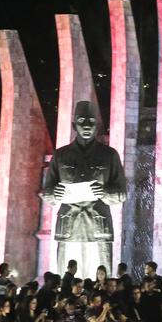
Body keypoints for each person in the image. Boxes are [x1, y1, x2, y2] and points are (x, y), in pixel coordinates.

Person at [41, 100, 128, 275]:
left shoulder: (109, 155)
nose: (86, 125)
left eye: (91, 121)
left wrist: (105, 193)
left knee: (100, 281)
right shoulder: (61, 155)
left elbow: (122, 193)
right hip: (69, 226)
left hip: (98, 227)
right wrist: (54, 194)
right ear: (74, 125)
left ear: (97, 125)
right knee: (67, 279)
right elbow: (46, 192)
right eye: (81, 121)